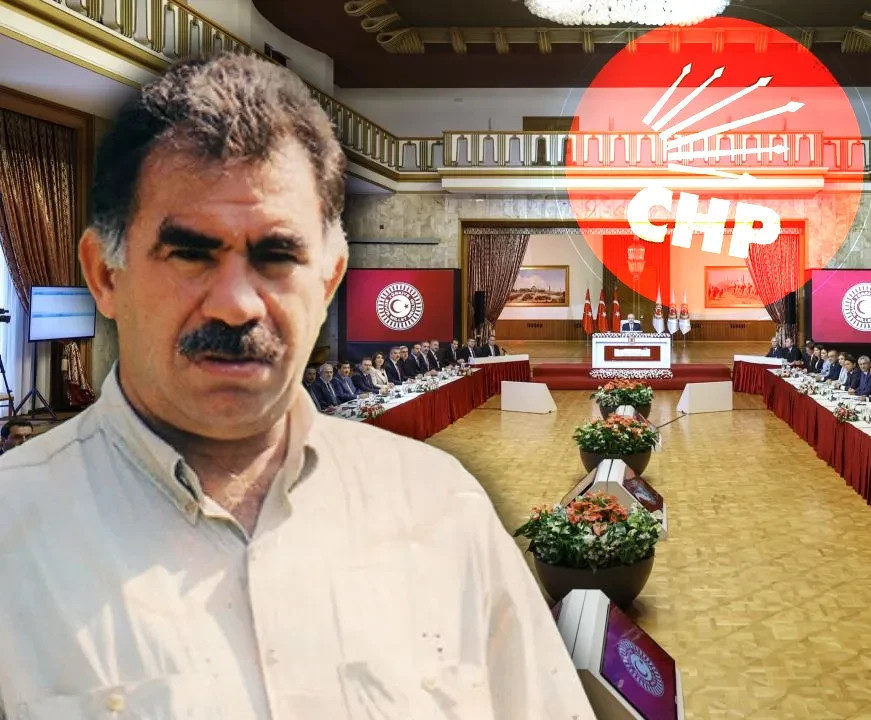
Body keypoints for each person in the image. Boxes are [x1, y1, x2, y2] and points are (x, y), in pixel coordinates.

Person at [0, 54, 592, 719]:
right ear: (105, 275)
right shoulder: (11, 532)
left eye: (277, 255)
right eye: (190, 253)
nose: (236, 305)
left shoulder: (444, 507)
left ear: (330, 280)